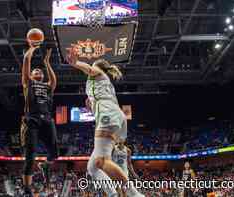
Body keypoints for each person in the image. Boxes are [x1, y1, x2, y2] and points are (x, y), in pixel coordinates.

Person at [66, 50, 144, 197]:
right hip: (115, 116)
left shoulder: (98, 72)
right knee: (92, 167)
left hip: (108, 114)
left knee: (102, 161)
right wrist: (92, 106)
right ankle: (113, 194)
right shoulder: (100, 84)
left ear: (98, 67)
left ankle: (134, 194)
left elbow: (89, 69)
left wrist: (75, 63)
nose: (90, 69)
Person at [21, 45, 59, 197]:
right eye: (35, 71)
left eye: (40, 71)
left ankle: (45, 165)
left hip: (47, 119)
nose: (38, 71)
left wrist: (47, 62)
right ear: (31, 75)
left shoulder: (47, 86)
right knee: (30, 155)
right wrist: (31, 49)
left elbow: (54, 80)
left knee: (55, 152)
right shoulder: (28, 84)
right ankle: (27, 189)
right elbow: (26, 61)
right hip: (32, 119)